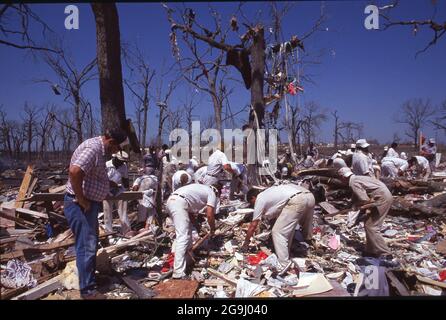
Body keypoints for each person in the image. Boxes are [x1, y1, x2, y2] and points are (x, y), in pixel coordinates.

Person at [64, 128, 128, 299]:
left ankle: (89, 282)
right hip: (80, 205)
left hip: (88, 205)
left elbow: (91, 175)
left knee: (89, 244)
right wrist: (81, 199)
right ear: (112, 142)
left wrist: (108, 185)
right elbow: (75, 172)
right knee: (86, 246)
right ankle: (88, 291)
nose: (116, 152)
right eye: (117, 148)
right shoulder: (93, 149)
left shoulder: (99, 150)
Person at [242, 184, 315, 275]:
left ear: (253, 197)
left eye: (252, 203)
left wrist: (246, 243)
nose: (253, 205)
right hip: (309, 196)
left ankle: (284, 264)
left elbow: (253, 225)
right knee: (288, 229)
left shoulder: (260, 198)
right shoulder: (270, 193)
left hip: (297, 200)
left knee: (278, 232)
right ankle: (308, 246)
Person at [166, 183, 219, 279]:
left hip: (172, 201)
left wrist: (197, 226)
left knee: (187, 233)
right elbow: (210, 214)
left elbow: (190, 214)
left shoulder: (199, 189)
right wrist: (212, 229)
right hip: (179, 203)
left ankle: (187, 260)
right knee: (183, 236)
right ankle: (178, 273)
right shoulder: (212, 193)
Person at [338, 167, 393, 258]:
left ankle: (385, 253)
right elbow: (357, 197)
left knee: (372, 226)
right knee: (368, 223)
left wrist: (357, 207)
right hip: (382, 196)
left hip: (381, 198)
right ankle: (370, 250)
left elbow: (364, 199)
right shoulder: (357, 178)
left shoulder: (353, 183)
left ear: (343, 177)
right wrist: (352, 205)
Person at [103, 151, 131, 236]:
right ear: (115, 158)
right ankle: (109, 232)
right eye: (120, 161)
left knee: (123, 212)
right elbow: (101, 178)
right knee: (107, 213)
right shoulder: (106, 165)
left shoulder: (124, 166)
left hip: (119, 191)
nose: (121, 163)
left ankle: (126, 231)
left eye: (123, 162)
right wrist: (110, 184)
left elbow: (125, 179)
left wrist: (127, 188)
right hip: (107, 191)